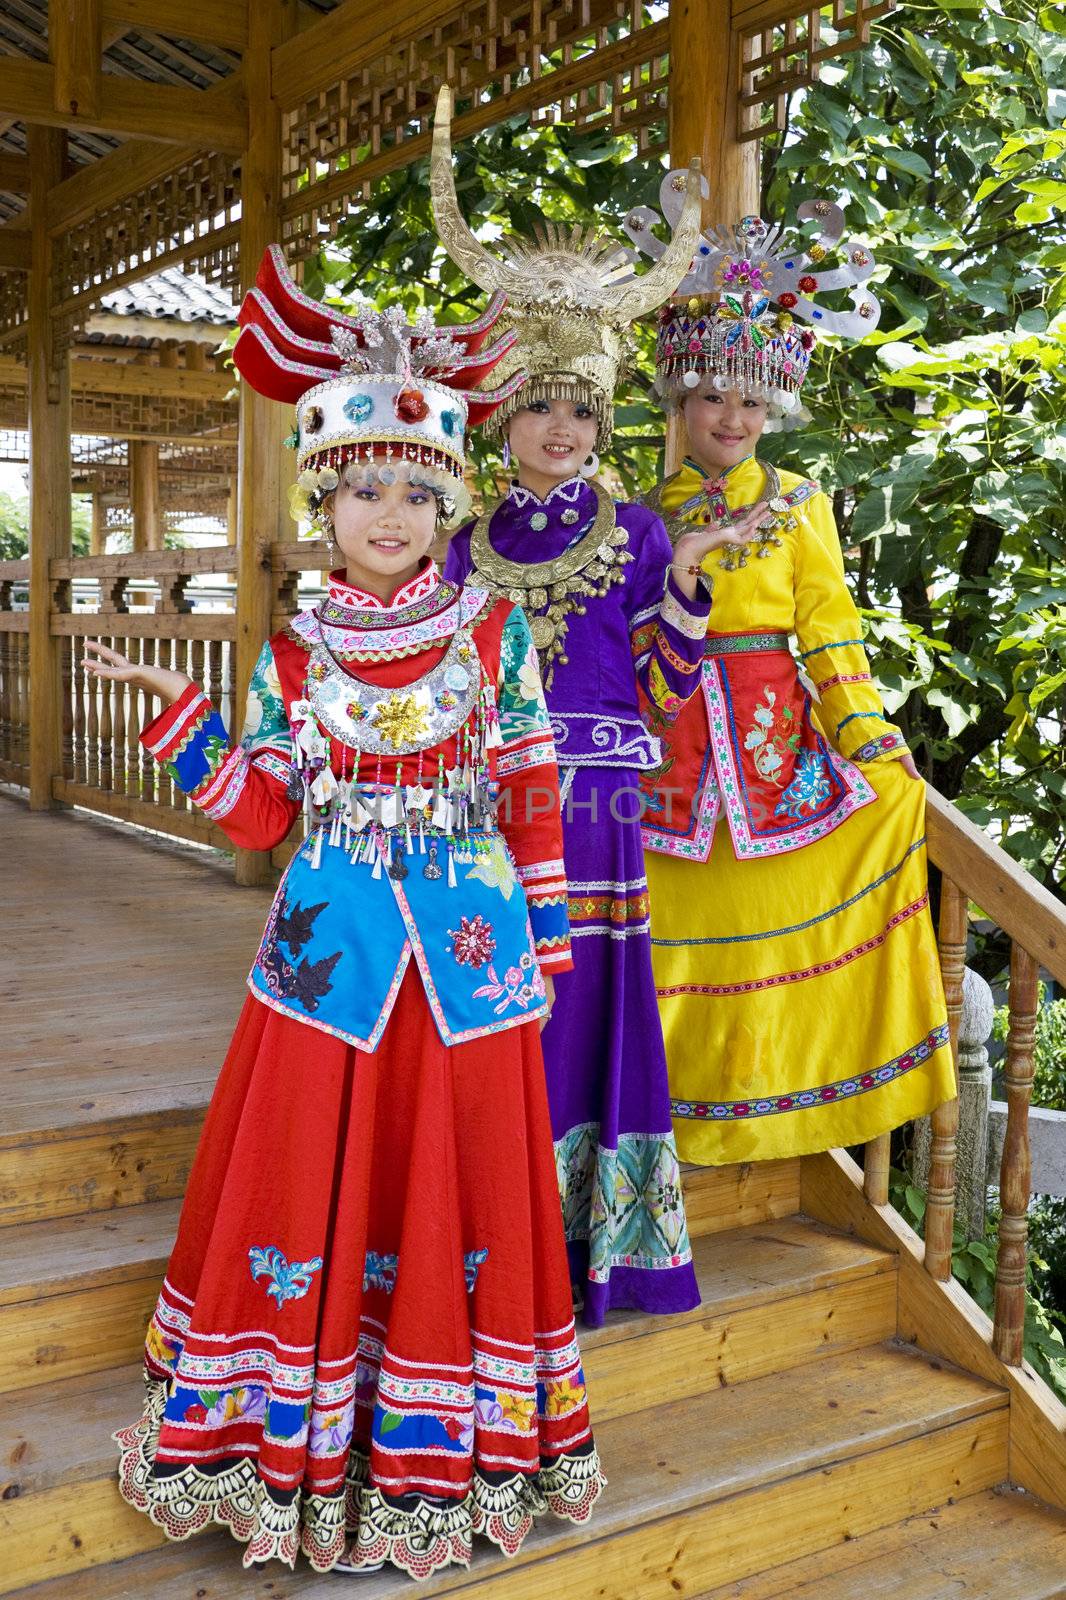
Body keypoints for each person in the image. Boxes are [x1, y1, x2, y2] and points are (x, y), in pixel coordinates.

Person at [88, 248, 604, 1578]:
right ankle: (290, 1449)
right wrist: (178, 716)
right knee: (303, 1193)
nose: (387, 511)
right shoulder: (291, 654)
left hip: (473, 967)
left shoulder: (496, 639)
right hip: (327, 972)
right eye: (362, 488)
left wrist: (542, 953)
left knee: (460, 1201)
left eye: (413, 491)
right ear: (328, 501)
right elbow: (263, 815)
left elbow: (534, 792)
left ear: (445, 505)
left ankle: (450, 1455)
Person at [431, 87, 761, 1325]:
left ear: (604, 412)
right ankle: (486, 1238)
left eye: (579, 405)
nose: (560, 427)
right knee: (490, 1013)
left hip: (601, 818)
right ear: (498, 419)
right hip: (485, 814)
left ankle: (585, 1254)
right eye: (536, 405)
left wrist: (682, 592)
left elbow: (667, 692)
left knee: (579, 1021)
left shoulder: (637, 533)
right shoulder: (456, 543)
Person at [619, 183, 954, 1165]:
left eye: (750, 398)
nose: (732, 415)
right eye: (713, 394)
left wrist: (877, 753)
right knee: (658, 932)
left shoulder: (801, 504)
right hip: (664, 761)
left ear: (771, 407)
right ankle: (657, 1123)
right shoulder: (638, 517)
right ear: (681, 400)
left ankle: (769, 1118)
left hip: (774, 757)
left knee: (772, 931)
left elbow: (832, 646)